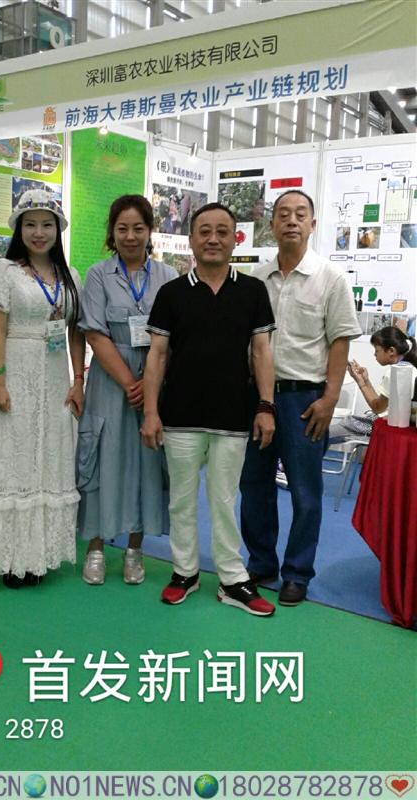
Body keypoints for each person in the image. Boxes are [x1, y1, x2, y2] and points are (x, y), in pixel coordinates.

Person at [141, 202, 277, 617]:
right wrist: (151, 412)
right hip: (180, 416)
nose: (213, 239)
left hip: (233, 416)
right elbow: (157, 355)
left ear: (235, 239)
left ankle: (232, 579)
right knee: (181, 500)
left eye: (222, 231)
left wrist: (266, 406)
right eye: (204, 231)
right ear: (191, 240)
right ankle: (184, 572)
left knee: (224, 499)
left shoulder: (252, 291)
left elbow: (261, 351)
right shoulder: (171, 293)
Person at [239, 190, 361, 607]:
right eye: (283, 214)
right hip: (257, 397)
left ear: (312, 224)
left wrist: (329, 399)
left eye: (300, 214)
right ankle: (261, 563)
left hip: (305, 400)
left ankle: (297, 572)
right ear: (272, 224)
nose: (291, 220)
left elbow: (340, 341)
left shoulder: (331, 278)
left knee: (306, 493)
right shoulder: (255, 278)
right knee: (254, 485)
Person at [0, 190, 85, 586]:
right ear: (19, 229)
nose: (39, 232)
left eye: (47, 224)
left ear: (58, 229)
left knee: (49, 456)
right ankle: (10, 558)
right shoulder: (5, 270)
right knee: (14, 456)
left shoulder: (70, 276)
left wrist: (78, 381)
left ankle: (39, 557)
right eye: (31, 224)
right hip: (16, 370)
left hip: (55, 376)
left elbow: (75, 332)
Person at [77, 195, 177, 585]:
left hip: (156, 382)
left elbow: (174, 337)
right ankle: (96, 548)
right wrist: (130, 383)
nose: (130, 236)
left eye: (138, 228)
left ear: (150, 231)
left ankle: (135, 549)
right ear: (112, 232)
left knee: (146, 465)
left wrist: (150, 385)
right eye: (122, 229)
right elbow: (95, 333)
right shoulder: (98, 275)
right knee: (102, 460)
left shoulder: (168, 276)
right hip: (110, 382)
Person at [347, 326, 417, 415]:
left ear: (391, 351)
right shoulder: (410, 367)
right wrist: (366, 381)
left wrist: (361, 383)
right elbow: (380, 404)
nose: (374, 354)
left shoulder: (395, 373)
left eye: (377, 350)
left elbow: (377, 408)